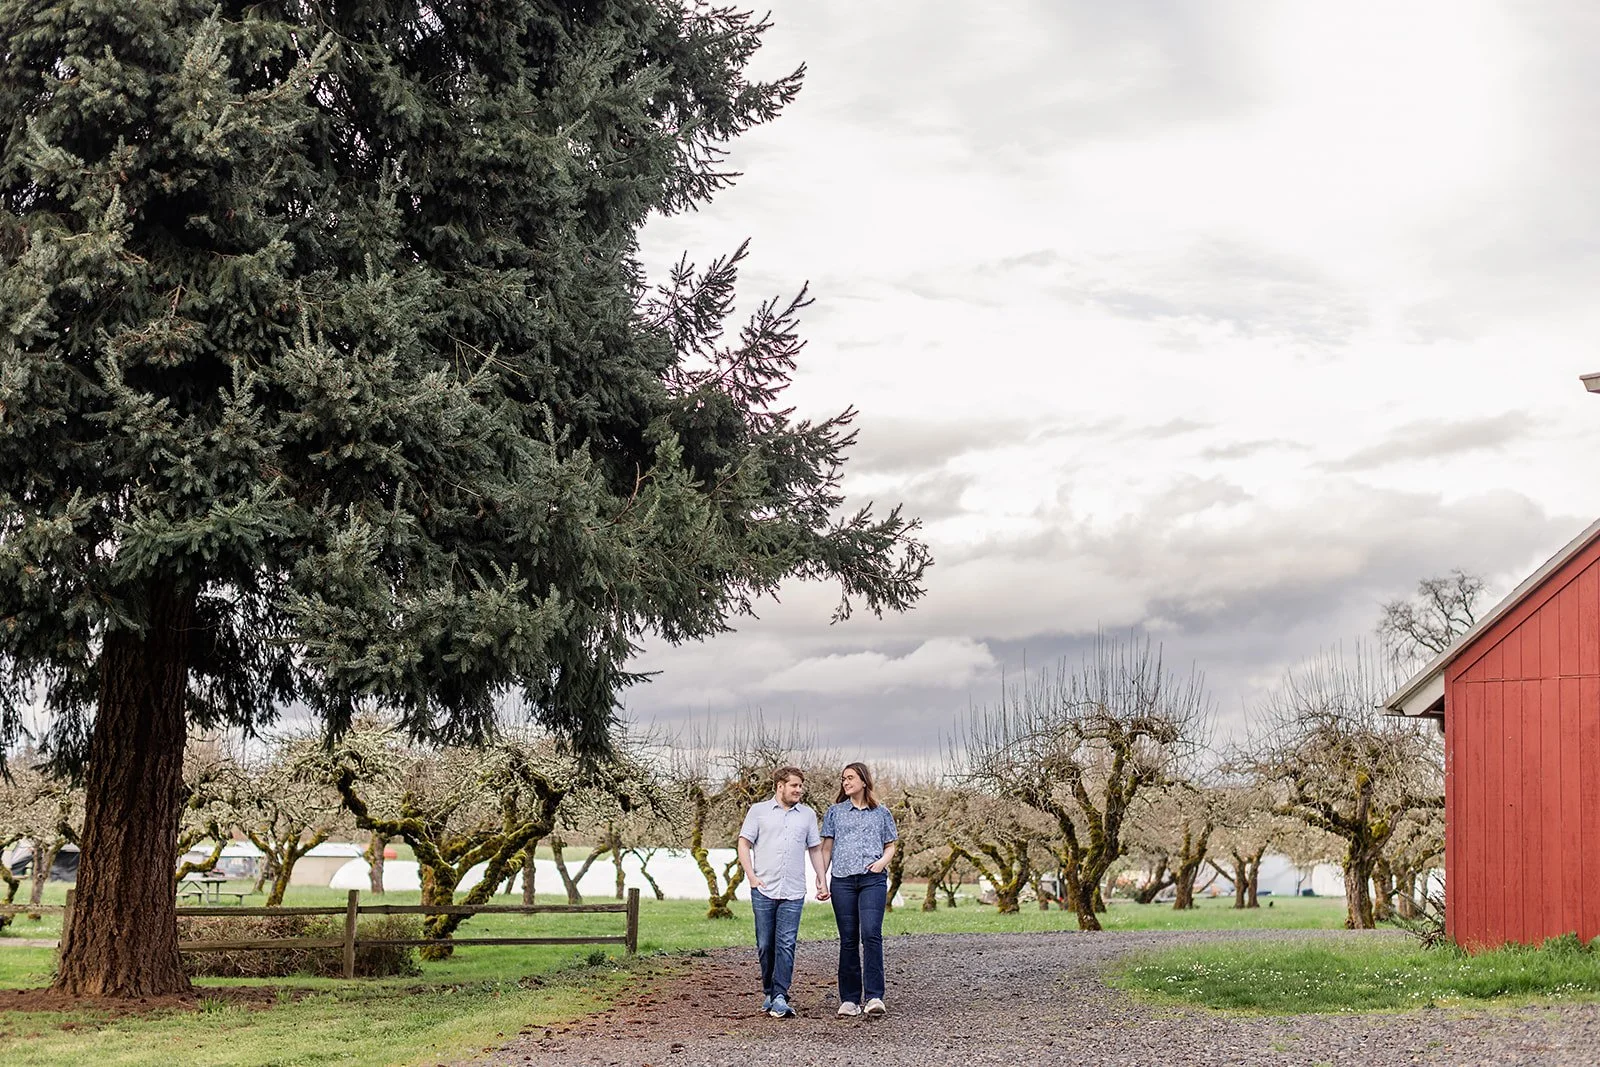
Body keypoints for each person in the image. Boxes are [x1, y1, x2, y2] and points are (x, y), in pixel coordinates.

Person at [737, 766, 829, 1019]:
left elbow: (814, 849)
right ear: (780, 785)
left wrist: (822, 880)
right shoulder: (758, 812)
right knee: (766, 944)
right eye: (794, 786)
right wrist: (751, 877)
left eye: (801, 786)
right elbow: (743, 843)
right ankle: (769, 991)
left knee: (786, 944)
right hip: (764, 888)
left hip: (793, 890)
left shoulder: (807, 815)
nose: (799, 790)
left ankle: (780, 996)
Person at [820, 761, 898, 1018]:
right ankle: (850, 1000)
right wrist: (821, 879)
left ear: (864, 781)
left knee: (872, 934)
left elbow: (891, 846)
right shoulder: (834, 812)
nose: (846, 782)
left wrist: (882, 863)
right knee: (849, 939)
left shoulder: (882, 813)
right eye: (844, 778)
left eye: (851, 777)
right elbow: (827, 849)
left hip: (872, 880)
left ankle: (874, 997)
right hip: (842, 881)